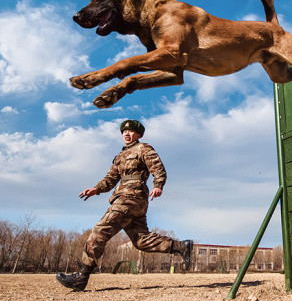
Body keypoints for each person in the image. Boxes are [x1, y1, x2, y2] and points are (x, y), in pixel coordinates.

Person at [56, 119, 193, 291]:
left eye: (130, 131)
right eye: (123, 132)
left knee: (100, 231)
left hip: (130, 198)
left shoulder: (143, 149)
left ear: (139, 134)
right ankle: (181, 246)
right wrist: (96, 189)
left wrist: (158, 186)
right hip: (129, 200)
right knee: (141, 240)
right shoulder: (119, 157)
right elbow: (111, 179)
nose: (126, 134)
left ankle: (81, 276)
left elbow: (158, 168)